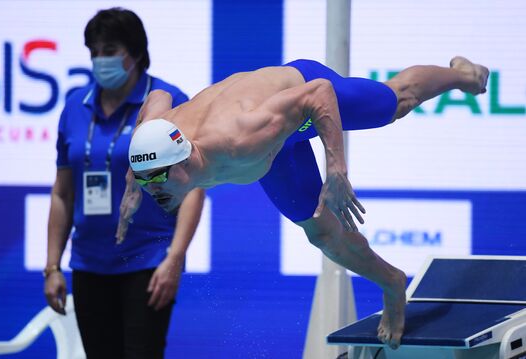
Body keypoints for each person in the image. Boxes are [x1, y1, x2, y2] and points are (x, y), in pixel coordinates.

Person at [120, 56, 489, 349]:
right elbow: (157, 99)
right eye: (144, 179)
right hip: (274, 147)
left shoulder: (240, 136)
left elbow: (319, 91)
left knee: (396, 103)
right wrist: (132, 186)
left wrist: (336, 168)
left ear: (184, 158)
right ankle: (393, 283)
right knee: (322, 234)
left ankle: (464, 75)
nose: (153, 190)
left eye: (157, 178)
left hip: (301, 96)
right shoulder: (154, 143)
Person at [43, 8, 205, 359]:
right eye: (94, 51)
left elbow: (193, 187)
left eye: (110, 50)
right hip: (88, 263)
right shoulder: (75, 106)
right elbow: (63, 193)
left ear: (135, 53)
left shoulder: (169, 100)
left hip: (148, 261)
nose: (100, 60)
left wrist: (174, 259)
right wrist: (52, 265)